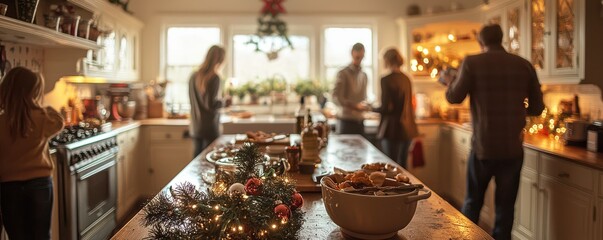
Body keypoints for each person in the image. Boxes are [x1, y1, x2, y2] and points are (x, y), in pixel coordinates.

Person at [444, 24, 545, 240]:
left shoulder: (472, 63)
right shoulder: (524, 65)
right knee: (505, 209)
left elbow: (454, 97)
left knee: (472, 203)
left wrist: (449, 81)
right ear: (502, 40)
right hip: (512, 149)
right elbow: (537, 108)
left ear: (481, 43)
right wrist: (515, 111)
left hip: (483, 147)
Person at [0, 67, 64, 240]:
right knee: (41, 235)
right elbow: (59, 121)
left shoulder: (2, 120)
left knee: (17, 236)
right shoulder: (42, 117)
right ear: (32, 94)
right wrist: (39, 106)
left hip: (9, 187)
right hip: (40, 184)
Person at [373, 48, 418, 168]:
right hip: (408, 128)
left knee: (390, 167)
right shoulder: (407, 78)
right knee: (403, 166)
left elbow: (387, 108)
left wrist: (370, 108)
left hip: (392, 129)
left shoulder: (386, 79)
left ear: (387, 60)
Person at [189, 45, 226, 157]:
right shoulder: (214, 77)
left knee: (196, 164)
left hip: (196, 126)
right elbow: (211, 104)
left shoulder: (194, 76)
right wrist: (225, 102)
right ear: (220, 60)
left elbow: (193, 100)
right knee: (208, 164)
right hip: (210, 129)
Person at [332, 43, 369, 135]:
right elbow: (336, 97)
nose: (359, 60)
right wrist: (355, 106)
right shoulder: (343, 73)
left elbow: (364, 98)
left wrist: (366, 105)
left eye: (361, 57)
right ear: (352, 53)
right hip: (346, 122)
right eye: (357, 57)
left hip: (360, 121)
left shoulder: (364, 75)